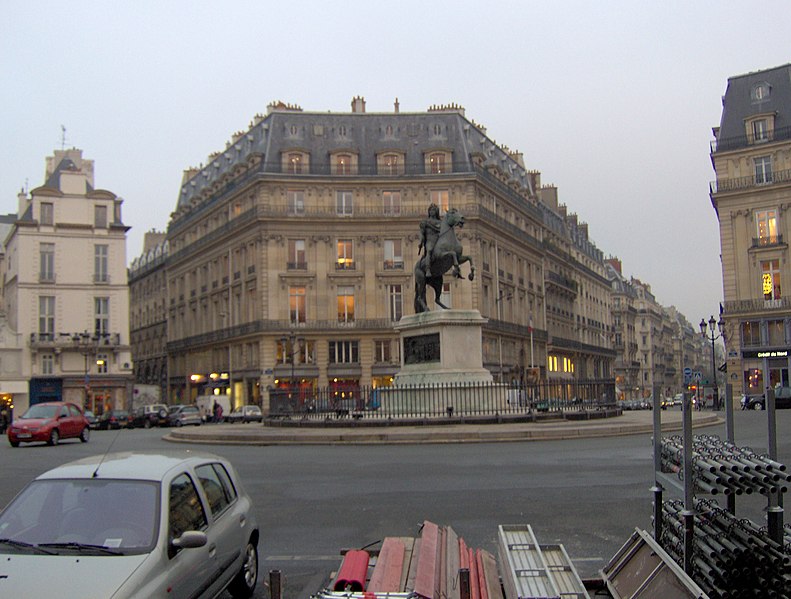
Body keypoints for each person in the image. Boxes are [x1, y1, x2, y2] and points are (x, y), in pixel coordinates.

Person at [418, 203, 441, 277]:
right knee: (429, 250)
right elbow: (421, 232)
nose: (432, 211)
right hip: (430, 240)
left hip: (438, 239)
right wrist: (421, 240)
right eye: (430, 210)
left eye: (433, 210)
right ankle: (428, 269)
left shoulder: (440, 222)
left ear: (436, 212)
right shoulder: (425, 222)